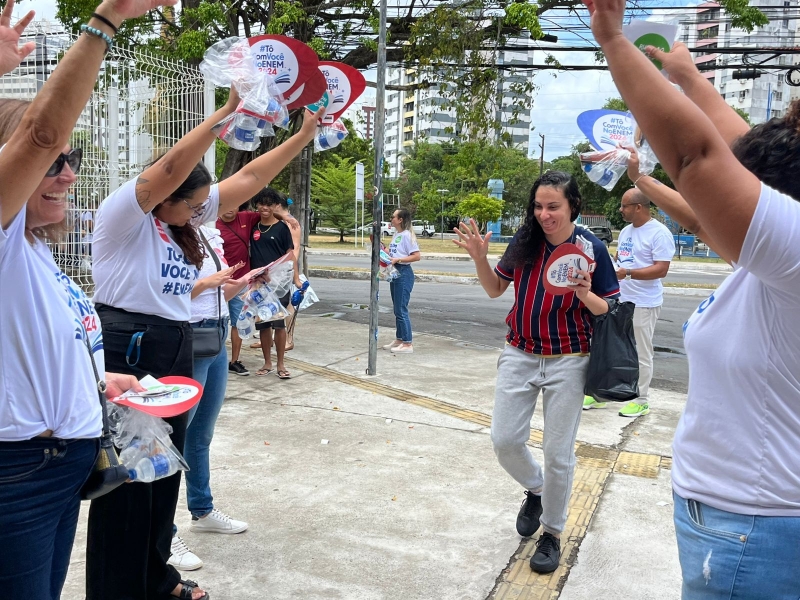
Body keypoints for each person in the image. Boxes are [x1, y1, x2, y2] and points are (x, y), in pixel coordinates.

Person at [585, 0, 800, 595]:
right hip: (743, 522)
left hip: (753, 533)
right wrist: (685, 73)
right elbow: (731, 182)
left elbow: (700, 157)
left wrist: (614, 42)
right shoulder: (780, 254)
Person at [89, 88, 323, 599]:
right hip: (130, 345)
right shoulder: (122, 218)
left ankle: (156, 577)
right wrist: (226, 114)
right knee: (128, 480)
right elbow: (174, 164)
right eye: (191, 204)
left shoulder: (181, 224)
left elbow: (252, 178)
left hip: (172, 342)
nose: (201, 213)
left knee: (162, 468)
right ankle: (119, 588)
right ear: (164, 195)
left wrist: (302, 137)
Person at [0, 1, 174, 598]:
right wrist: (108, 19)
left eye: (73, 160)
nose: (68, 172)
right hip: (19, 470)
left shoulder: (36, 253)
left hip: (60, 467)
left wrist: (99, 383)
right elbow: (40, 130)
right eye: (53, 161)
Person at [454, 172, 619, 574]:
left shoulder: (591, 248)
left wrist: (584, 292)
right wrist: (479, 259)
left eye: (553, 207)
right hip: (520, 353)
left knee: (558, 454)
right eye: (538, 206)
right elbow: (496, 289)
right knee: (505, 440)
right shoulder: (524, 242)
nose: (544, 214)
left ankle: (552, 533)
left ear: (572, 207)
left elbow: (611, 309)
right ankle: (538, 489)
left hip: (570, 359)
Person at [583, 188, 675, 416]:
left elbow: (661, 269)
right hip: (619, 300)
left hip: (644, 302)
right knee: (606, 346)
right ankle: (601, 393)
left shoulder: (659, 233)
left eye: (624, 206)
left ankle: (642, 399)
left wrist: (630, 273)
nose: (620, 210)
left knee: (640, 352)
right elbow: (622, 259)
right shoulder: (625, 231)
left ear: (639, 207)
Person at [249, 188, 303, 378]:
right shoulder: (253, 226)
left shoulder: (281, 228)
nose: (264, 207)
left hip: (279, 283)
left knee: (278, 324)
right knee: (263, 323)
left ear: (274, 206)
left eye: (269, 204)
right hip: (259, 284)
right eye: (261, 203)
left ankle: (281, 364)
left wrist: (296, 280)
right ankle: (267, 363)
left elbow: (290, 256)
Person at [382, 208, 420, 354]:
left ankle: (407, 343)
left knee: (401, 309)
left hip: (403, 272)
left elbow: (416, 256)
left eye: (393, 217)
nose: (391, 219)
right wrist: (383, 251)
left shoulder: (407, 236)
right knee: (397, 308)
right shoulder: (397, 234)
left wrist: (399, 259)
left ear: (400, 219)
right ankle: (400, 338)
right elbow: (394, 253)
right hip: (394, 271)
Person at [268, 197, 302, 350]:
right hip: (274, 267)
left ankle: (289, 338)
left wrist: (293, 271)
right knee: (268, 301)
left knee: (288, 304)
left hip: (286, 267)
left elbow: (294, 249)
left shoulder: (291, 223)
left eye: (270, 204)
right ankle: (268, 338)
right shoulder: (279, 221)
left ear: (277, 205)